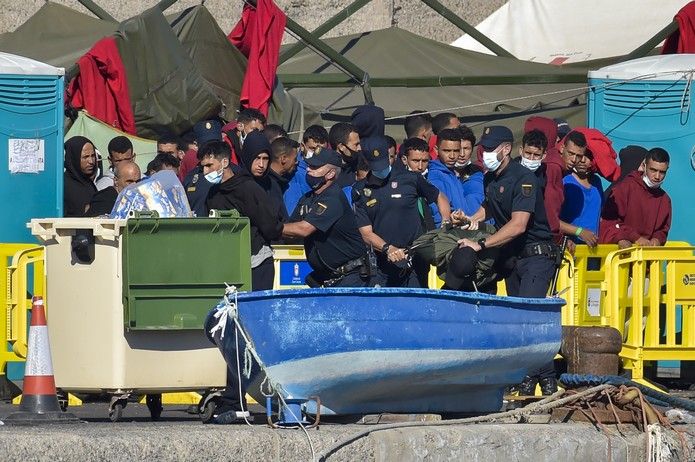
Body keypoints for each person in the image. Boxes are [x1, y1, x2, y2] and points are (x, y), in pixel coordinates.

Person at [458, 125, 558, 395]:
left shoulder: (524, 178)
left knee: (529, 317)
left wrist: (481, 244)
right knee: (519, 320)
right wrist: (469, 221)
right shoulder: (491, 178)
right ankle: (543, 376)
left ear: (506, 149)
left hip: (536, 255)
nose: (485, 153)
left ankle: (535, 376)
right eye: (483, 148)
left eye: (490, 148)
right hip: (514, 257)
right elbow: (489, 207)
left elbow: (518, 225)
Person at [353, 137, 452, 287]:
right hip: (383, 262)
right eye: (377, 166)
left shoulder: (411, 178)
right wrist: (388, 248)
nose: (381, 169)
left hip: (415, 259)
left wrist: (445, 220)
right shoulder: (360, 190)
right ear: (367, 162)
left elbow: (439, 196)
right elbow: (366, 232)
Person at [282, 148, 374, 288]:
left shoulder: (333, 198)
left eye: (315, 167)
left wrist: (272, 227)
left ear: (330, 173)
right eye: (309, 166)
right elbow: (290, 231)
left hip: (351, 276)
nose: (308, 170)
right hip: (327, 276)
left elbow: (304, 229)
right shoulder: (307, 199)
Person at [204, 140, 282, 291]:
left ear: (225, 162)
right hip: (228, 265)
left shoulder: (248, 188)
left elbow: (270, 225)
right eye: (204, 167)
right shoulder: (212, 193)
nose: (206, 172)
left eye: (209, 166)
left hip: (256, 263)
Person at [599, 148, 671, 248]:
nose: (657, 176)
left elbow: (663, 230)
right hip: (620, 256)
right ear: (644, 166)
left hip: (647, 258)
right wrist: (633, 238)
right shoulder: (624, 188)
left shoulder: (665, 200)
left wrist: (657, 239)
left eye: (662, 172)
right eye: (653, 170)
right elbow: (608, 222)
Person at [560, 149, 604, 246]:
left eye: (587, 156)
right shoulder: (564, 182)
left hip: (593, 251)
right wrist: (579, 232)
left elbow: (600, 217)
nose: (583, 160)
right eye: (580, 156)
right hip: (570, 249)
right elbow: (553, 220)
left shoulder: (597, 182)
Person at [284, 125, 330, 219]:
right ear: (302, 146)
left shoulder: (330, 168)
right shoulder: (293, 171)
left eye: (321, 150)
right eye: (313, 148)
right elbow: (291, 212)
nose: (317, 154)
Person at [182, 121, 225, 216]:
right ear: (196, 146)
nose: (211, 151)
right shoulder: (191, 177)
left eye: (215, 145)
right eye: (205, 146)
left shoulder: (234, 174)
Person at [427, 128, 468, 227]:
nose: (452, 156)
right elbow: (436, 211)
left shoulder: (452, 173)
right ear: (436, 150)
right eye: (447, 150)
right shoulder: (434, 176)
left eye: (456, 151)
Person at [64, 136, 98, 217]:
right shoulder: (63, 186)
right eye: (85, 157)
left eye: (93, 156)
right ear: (74, 158)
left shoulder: (88, 183)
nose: (91, 161)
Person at [267, 136, 300, 222]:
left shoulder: (279, 181)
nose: (297, 162)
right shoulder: (269, 185)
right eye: (295, 159)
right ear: (283, 158)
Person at [454, 125, 485, 214]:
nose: (462, 154)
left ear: (472, 150)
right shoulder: (442, 172)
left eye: (466, 148)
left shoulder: (478, 173)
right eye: (458, 149)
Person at [328, 122, 362, 188]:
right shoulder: (330, 175)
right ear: (341, 147)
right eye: (356, 144)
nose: (359, 148)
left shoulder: (359, 161)